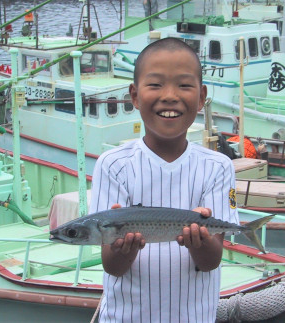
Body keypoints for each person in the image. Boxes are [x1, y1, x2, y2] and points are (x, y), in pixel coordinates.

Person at [89, 37, 239, 322]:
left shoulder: (218, 166)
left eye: (184, 85)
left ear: (201, 97)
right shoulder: (113, 165)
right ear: (134, 95)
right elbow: (113, 266)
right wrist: (124, 249)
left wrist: (200, 241)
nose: (170, 95)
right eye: (155, 84)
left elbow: (211, 261)